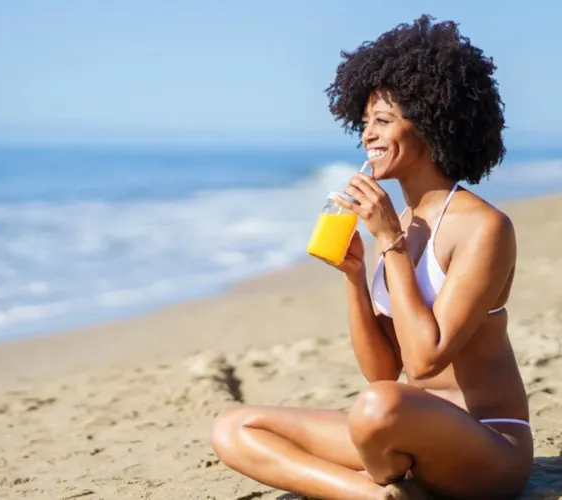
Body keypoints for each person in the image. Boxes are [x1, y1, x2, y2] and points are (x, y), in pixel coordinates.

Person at [210, 15, 533, 500]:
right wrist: (356, 277)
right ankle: (376, 495)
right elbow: (384, 367)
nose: (367, 136)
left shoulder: (484, 227)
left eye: (383, 121)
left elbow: (422, 363)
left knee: (377, 406)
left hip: (486, 445)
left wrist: (389, 242)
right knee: (234, 427)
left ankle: (380, 479)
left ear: (428, 123)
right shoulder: (397, 224)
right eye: (364, 124)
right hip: (400, 429)